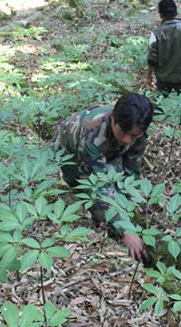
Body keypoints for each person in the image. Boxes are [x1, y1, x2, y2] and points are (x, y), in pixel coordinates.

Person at [52, 93, 154, 263]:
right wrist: (125, 229)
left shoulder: (138, 130)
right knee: (79, 187)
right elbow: (95, 184)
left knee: (115, 184)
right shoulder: (91, 136)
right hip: (69, 151)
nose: (128, 140)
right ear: (113, 119)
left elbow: (132, 169)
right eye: (123, 132)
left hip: (108, 148)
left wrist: (127, 201)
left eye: (134, 136)